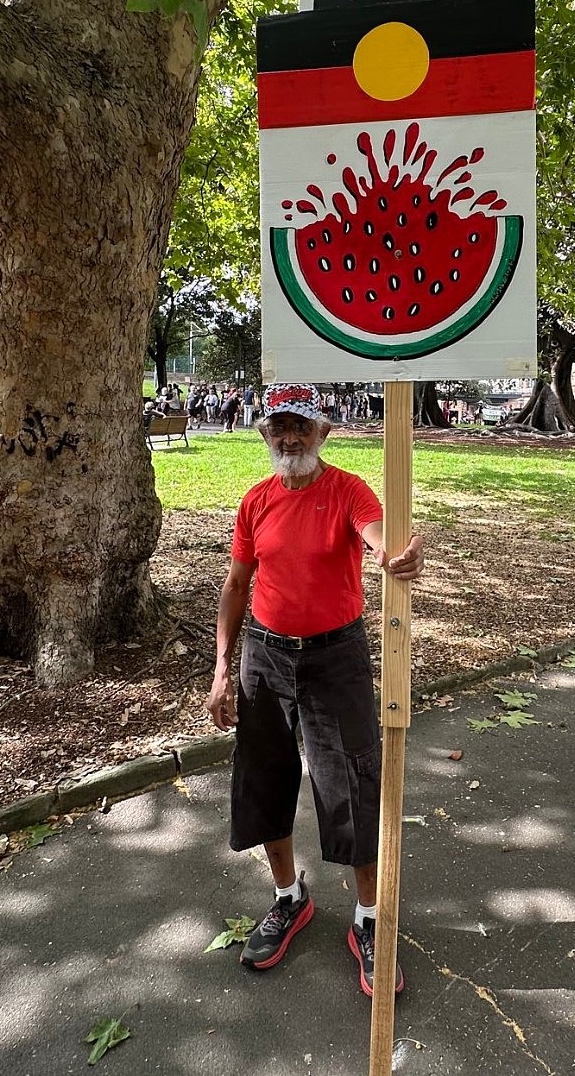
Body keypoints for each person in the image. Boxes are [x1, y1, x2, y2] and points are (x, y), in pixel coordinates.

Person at [207, 382, 424, 997]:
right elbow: (235, 586)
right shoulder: (255, 502)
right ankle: (287, 897)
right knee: (263, 778)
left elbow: (378, 534)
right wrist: (223, 669)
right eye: (278, 426)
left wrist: (394, 555)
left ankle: (368, 916)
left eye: (300, 424)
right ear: (265, 436)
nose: (289, 436)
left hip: (336, 658)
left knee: (350, 783)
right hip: (265, 657)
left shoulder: (347, 490)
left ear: (323, 431)